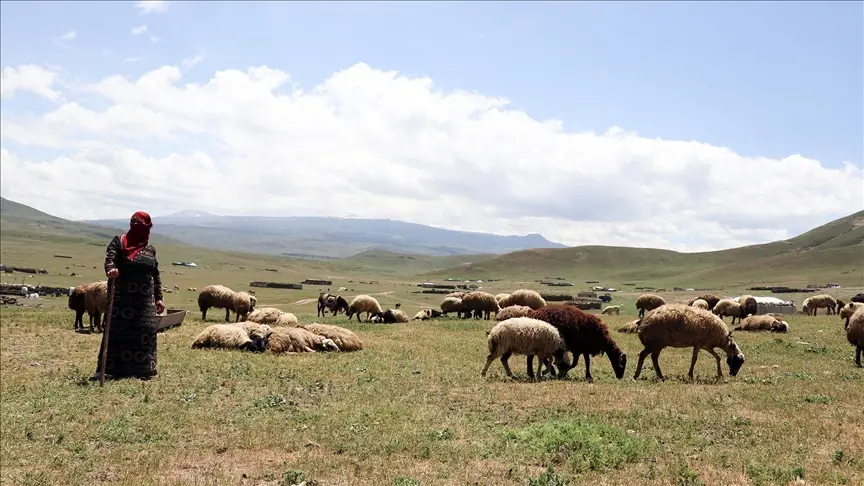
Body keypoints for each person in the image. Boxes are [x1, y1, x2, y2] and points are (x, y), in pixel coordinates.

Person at [90, 211, 165, 381]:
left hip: (144, 302)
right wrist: (111, 269)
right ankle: (106, 369)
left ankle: (143, 370)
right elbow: (110, 258)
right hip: (121, 299)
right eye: (134, 223)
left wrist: (159, 298)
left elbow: (155, 274)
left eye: (141, 225)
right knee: (116, 333)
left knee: (144, 334)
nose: (137, 227)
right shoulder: (119, 241)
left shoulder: (150, 249)